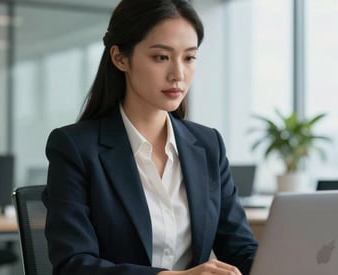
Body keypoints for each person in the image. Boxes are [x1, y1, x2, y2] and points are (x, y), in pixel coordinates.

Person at [42, 0, 258, 274]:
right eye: (161, 57)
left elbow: (241, 250)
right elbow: (73, 265)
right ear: (120, 58)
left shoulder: (207, 145)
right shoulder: (75, 148)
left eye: (189, 57)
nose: (178, 74)